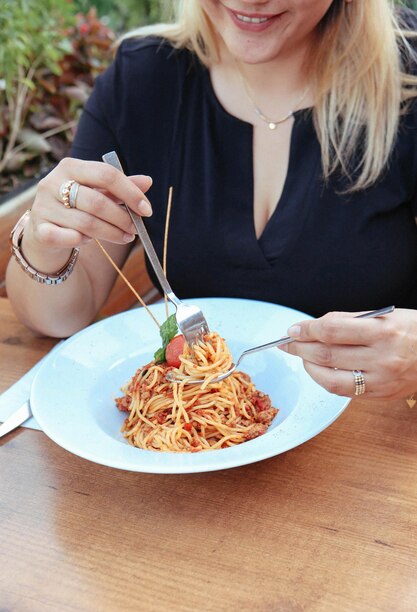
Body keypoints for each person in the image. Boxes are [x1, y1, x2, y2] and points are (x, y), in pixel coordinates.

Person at [5, 0, 417, 400]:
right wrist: (43, 241)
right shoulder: (143, 80)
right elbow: (58, 316)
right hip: (189, 452)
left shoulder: (408, 71)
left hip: (384, 440)